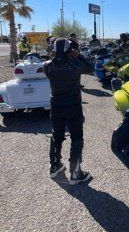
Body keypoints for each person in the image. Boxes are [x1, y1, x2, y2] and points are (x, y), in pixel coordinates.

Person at [43, 38, 93, 184]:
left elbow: (51, 64)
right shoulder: (75, 65)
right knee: (76, 138)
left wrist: (54, 57)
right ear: (69, 50)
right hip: (73, 106)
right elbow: (90, 68)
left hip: (56, 106)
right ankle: (76, 173)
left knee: (56, 135)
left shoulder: (48, 66)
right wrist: (79, 56)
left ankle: (54, 166)